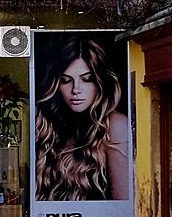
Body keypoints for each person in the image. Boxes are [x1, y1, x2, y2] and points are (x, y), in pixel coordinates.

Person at [32, 35, 131, 203]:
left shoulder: (115, 126)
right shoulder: (47, 128)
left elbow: (122, 205)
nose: (75, 89)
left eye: (87, 79)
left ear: (101, 82)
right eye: (65, 80)